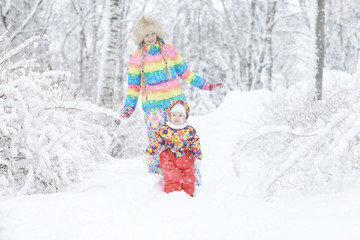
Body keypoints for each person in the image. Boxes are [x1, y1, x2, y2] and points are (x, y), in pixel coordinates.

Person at [115, 16, 222, 186]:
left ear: (157, 32)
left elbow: (185, 73)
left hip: (174, 104)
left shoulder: (169, 50)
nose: (150, 37)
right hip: (153, 108)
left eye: (152, 33)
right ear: (140, 37)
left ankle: (188, 177)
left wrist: (205, 85)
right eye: (146, 35)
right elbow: (134, 86)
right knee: (157, 142)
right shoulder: (136, 58)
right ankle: (160, 181)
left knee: (181, 141)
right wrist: (128, 108)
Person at [145, 100, 201, 196]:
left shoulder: (190, 130)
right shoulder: (164, 129)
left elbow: (195, 144)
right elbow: (157, 141)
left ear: (185, 117)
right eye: (174, 115)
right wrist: (149, 152)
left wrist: (198, 157)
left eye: (180, 115)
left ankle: (189, 195)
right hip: (169, 157)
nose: (176, 118)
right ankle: (172, 195)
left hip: (186, 157)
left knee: (189, 177)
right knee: (172, 177)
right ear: (170, 115)